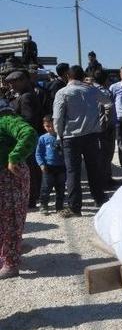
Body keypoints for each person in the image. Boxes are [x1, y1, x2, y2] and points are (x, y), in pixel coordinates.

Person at [53, 65, 112, 217]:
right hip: (92, 135)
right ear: (83, 76)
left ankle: (75, 207)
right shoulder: (92, 90)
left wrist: (59, 134)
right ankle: (99, 198)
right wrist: (103, 120)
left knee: (73, 172)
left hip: (70, 137)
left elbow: (58, 117)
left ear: (68, 76)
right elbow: (108, 102)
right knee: (94, 168)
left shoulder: (62, 92)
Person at [0, 98, 38, 278]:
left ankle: (11, 263)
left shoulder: (6, 119)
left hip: (10, 178)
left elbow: (29, 133)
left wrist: (14, 157)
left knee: (10, 221)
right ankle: (7, 255)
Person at [6, 70, 44, 209]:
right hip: (28, 138)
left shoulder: (26, 97)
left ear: (23, 81)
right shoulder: (25, 95)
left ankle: (31, 199)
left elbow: (28, 119)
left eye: (13, 82)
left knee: (29, 170)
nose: (11, 86)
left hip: (26, 139)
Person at [93, 70, 118, 188]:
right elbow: (108, 108)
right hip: (105, 128)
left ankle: (105, 179)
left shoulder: (90, 90)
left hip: (95, 127)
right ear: (105, 80)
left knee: (101, 155)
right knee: (106, 154)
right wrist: (107, 123)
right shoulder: (104, 92)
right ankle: (105, 181)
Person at [35, 116, 64, 214]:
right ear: (44, 126)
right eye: (47, 126)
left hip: (61, 166)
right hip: (48, 167)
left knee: (60, 187)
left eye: (52, 126)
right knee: (46, 187)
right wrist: (41, 164)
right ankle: (43, 205)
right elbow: (38, 153)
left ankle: (59, 206)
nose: (50, 128)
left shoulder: (61, 137)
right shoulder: (42, 138)